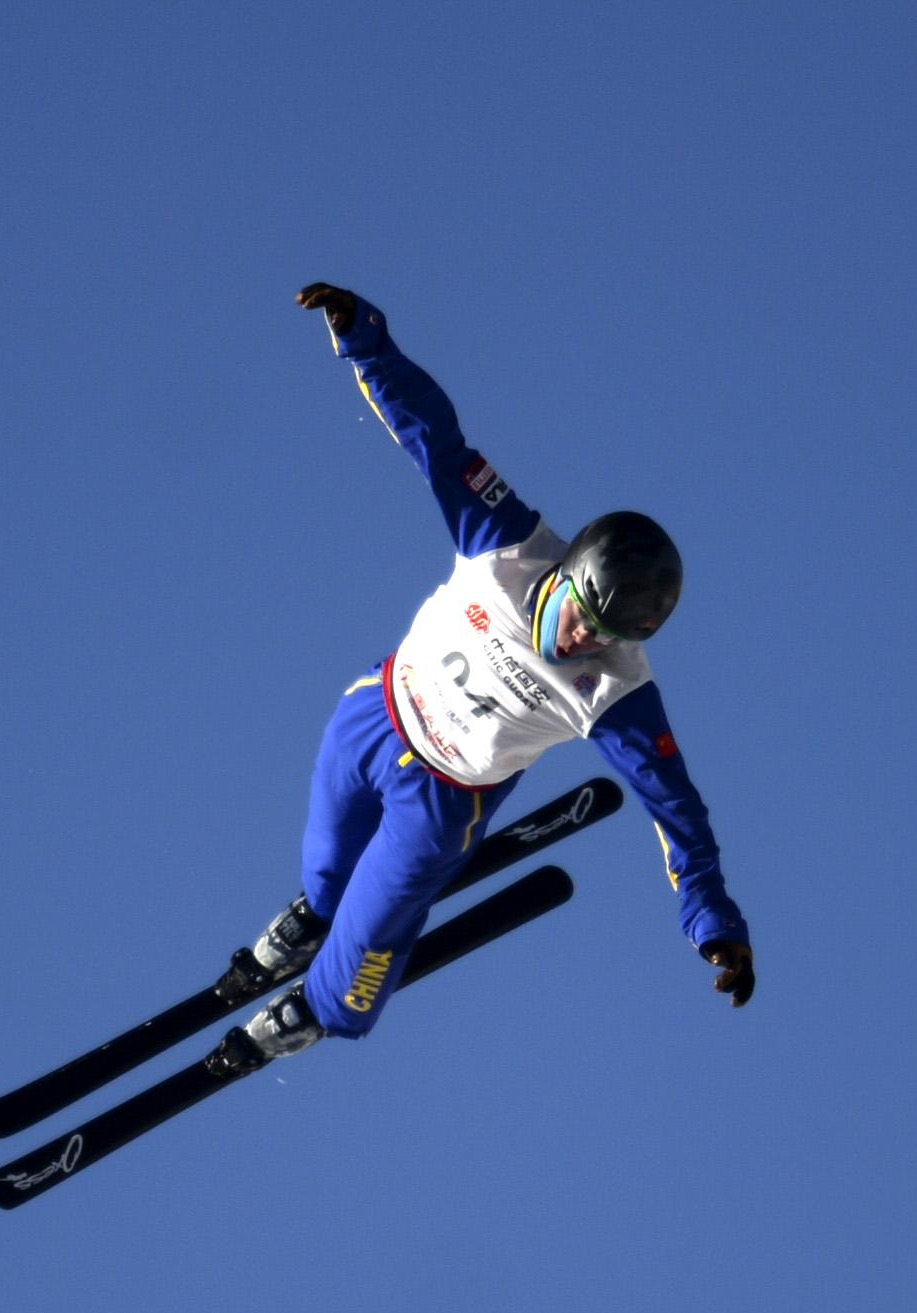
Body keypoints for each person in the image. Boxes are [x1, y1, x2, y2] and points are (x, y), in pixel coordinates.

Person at [220, 284, 754, 1070]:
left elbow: (678, 810)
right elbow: (432, 433)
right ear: (567, 570)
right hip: (375, 715)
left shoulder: (618, 691)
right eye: (579, 612)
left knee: (371, 935)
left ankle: (318, 1007)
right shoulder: (506, 539)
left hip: (442, 798)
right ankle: (315, 913)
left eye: (602, 635)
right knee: (325, 867)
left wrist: (715, 926)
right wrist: (363, 336)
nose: (579, 639)